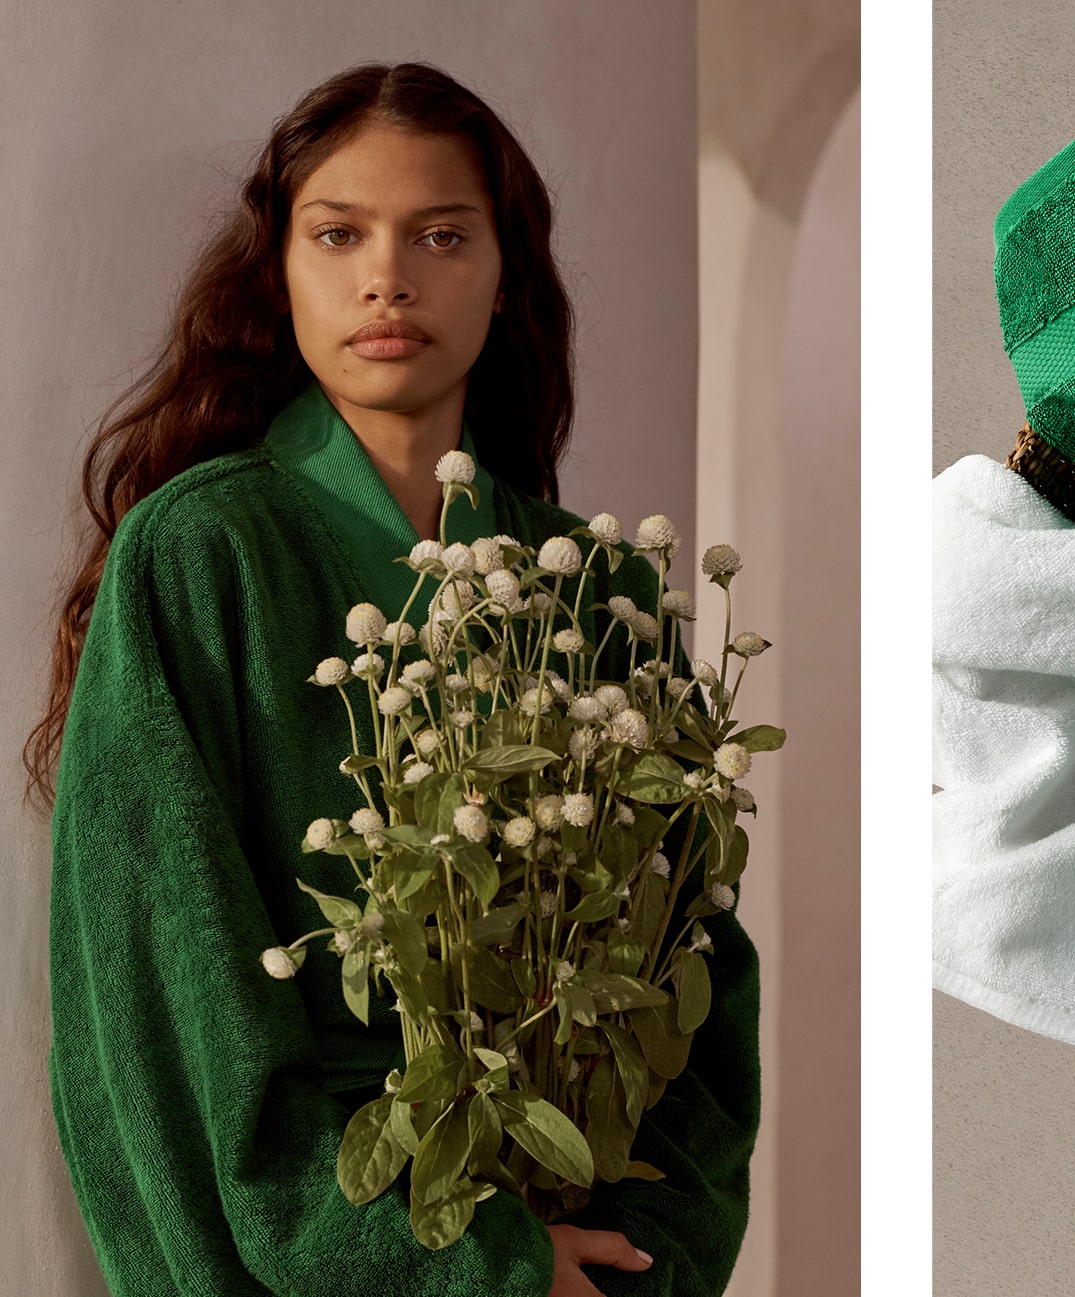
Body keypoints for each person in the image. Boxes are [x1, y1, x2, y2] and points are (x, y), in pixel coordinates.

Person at [25, 61, 760, 1297]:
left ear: (503, 269)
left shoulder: (602, 593)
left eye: (439, 234)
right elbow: (165, 1014)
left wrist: (651, 1259)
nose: (388, 277)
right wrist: (465, 1270)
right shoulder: (201, 554)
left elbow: (697, 976)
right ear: (282, 272)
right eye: (338, 234)